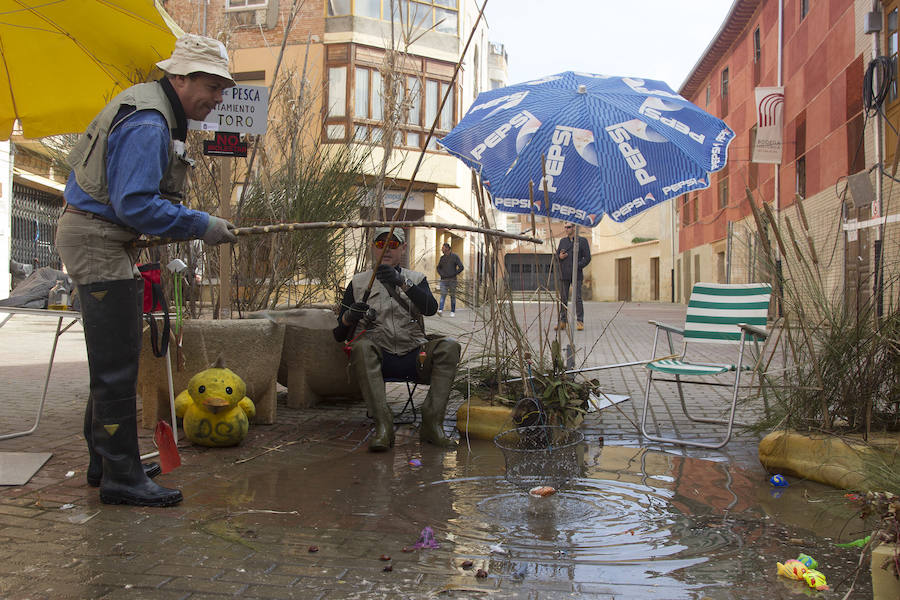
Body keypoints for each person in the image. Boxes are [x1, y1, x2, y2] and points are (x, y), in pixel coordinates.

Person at [55, 34, 239, 507]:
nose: (218, 98)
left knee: (112, 360)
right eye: (212, 86)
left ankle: (108, 461)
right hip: (97, 241)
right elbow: (135, 203)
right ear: (179, 77)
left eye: (223, 88)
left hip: (100, 237)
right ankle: (120, 479)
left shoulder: (153, 112)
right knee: (117, 366)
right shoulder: (149, 122)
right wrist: (201, 224)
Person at [333, 227, 461, 452]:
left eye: (393, 245)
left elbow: (430, 308)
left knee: (449, 347)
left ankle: (432, 423)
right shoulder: (358, 283)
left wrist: (402, 282)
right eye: (381, 245)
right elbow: (339, 335)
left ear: (403, 248)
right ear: (373, 248)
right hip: (378, 358)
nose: (386, 250)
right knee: (361, 347)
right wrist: (349, 317)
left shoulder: (415, 279)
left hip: (415, 355)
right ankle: (384, 426)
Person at [554, 223, 591, 331]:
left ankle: (580, 321)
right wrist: (560, 257)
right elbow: (557, 256)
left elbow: (587, 258)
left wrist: (578, 266)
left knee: (577, 298)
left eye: (569, 227)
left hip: (577, 274)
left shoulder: (582, 241)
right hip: (564, 274)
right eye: (565, 227)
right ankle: (563, 321)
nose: (566, 229)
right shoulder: (563, 241)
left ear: (574, 228)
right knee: (563, 299)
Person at [436, 242, 464, 317]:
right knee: (443, 294)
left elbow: (461, 267)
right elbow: (438, 267)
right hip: (443, 280)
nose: (442, 249)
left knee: (452, 296)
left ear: (447, 248)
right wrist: (441, 274)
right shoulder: (442, 258)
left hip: (452, 280)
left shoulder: (455, 257)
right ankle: (440, 310)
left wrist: (454, 273)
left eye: (443, 248)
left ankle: (452, 311)